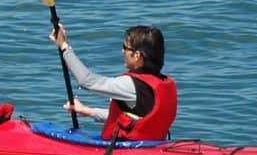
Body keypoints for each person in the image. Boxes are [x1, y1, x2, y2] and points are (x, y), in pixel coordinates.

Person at [49, 24, 177, 140]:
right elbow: (133, 119)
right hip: (153, 146)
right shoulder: (162, 82)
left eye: (125, 48)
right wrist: (88, 111)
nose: (122, 51)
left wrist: (64, 47)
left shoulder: (130, 85)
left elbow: (87, 81)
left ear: (137, 55)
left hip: (130, 151)